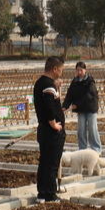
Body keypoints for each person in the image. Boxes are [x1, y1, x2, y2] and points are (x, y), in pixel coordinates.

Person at [34, 57, 65, 202]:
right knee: (52, 162)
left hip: (44, 130)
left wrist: (57, 87)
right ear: (54, 69)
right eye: (60, 70)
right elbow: (49, 106)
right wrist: (54, 123)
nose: (61, 73)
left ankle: (42, 192)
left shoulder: (41, 83)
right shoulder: (47, 85)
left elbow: (54, 100)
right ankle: (50, 193)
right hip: (51, 131)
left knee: (45, 161)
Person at [62, 61, 101, 154]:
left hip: (90, 108)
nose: (79, 72)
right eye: (77, 70)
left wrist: (77, 104)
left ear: (85, 70)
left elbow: (88, 96)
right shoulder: (75, 81)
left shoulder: (90, 81)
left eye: (81, 70)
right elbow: (70, 95)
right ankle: (82, 149)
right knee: (81, 130)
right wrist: (64, 106)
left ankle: (96, 149)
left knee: (92, 129)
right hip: (81, 110)